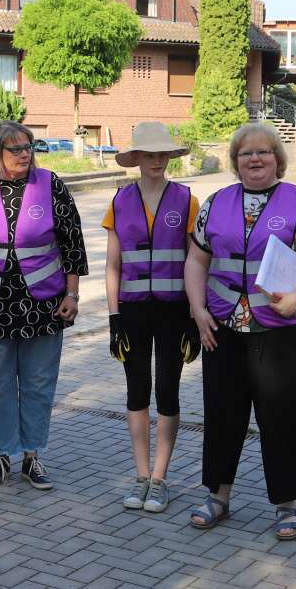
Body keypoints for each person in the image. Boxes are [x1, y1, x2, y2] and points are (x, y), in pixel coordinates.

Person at [185, 122, 296, 539]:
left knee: (282, 418)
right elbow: (196, 262)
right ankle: (218, 496)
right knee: (222, 416)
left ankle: (286, 504)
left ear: (278, 158)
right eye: (245, 154)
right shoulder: (215, 203)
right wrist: (198, 311)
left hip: (281, 331)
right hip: (222, 330)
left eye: (264, 152)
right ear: (235, 162)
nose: (254, 159)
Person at [0, 121, 86, 490]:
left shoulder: (51, 184)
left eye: (29, 146)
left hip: (43, 304)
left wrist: (72, 295)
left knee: (38, 382)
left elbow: (73, 244)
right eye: (15, 148)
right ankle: (1, 456)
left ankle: (32, 456)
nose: (25, 153)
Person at [104, 121, 200, 514]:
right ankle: (140, 476)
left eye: (163, 153)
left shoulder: (188, 200)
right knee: (136, 392)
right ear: (137, 159)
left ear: (169, 158)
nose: (157, 160)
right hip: (133, 311)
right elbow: (112, 265)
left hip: (174, 311)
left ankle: (160, 479)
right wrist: (113, 318)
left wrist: (196, 316)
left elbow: (198, 262)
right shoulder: (119, 202)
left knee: (168, 392)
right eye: (149, 154)